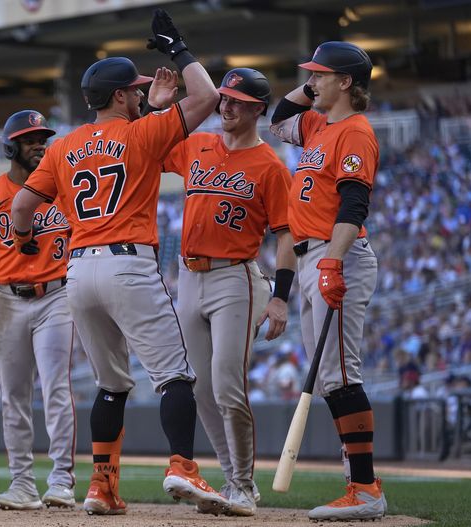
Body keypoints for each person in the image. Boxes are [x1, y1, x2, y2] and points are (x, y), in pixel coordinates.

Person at [11, 8, 228, 516]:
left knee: (111, 386)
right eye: (133, 90)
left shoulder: (62, 146)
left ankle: (102, 487)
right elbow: (208, 97)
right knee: (175, 376)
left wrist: (24, 243)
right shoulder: (140, 135)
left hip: (78, 271)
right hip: (128, 264)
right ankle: (182, 466)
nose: (140, 94)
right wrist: (178, 48)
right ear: (118, 96)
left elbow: (22, 207)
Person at [151, 67, 295, 516]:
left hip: (235, 276)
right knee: (201, 389)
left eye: (236, 100)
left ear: (256, 108)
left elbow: (287, 236)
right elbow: (150, 145)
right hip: (189, 277)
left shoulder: (270, 165)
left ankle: (242, 484)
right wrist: (158, 107)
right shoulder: (198, 144)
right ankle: (232, 477)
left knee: (228, 384)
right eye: (224, 99)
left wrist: (280, 297)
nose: (226, 106)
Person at [269, 41, 388, 521]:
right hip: (311, 255)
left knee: (340, 373)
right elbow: (278, 118)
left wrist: (333, 262)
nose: (310, 82)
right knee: (329, 377)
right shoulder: (319, 123)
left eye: (320, 75)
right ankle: (356, 482)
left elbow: (354, 205)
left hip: (335, 255)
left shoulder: (355, 133)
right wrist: (315, 88)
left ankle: (364, 488)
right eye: (310, 75)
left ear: (345, 83)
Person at [0, 110, 77, 510]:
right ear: (10, 146)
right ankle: (22, 484)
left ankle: (62, 480)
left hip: (56, 295)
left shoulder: (63, 190)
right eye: (30, 139)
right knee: (13, 396)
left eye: (42, 138)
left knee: (56, 389)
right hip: (9, 301)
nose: (39, 145)